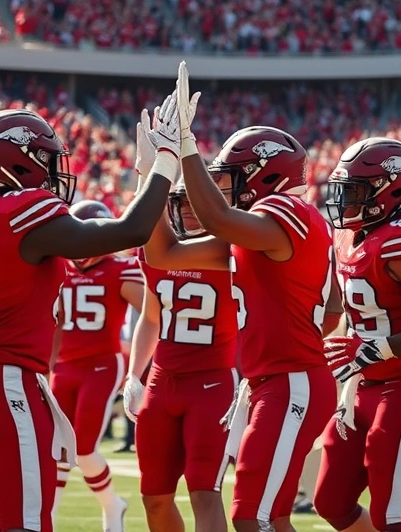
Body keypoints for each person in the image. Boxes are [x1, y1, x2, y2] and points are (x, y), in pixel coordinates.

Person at [0, 101, 182, 532]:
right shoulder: (24, 212)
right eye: (44, 159)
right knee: (25, 524)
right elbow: (132, 230)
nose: (51, 171)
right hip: (3, 385)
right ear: (17, 162)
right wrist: (165, 164)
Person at [140, 63, 342, 532]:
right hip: (279, 378)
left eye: (230, 176)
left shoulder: (286, 211)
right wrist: (154, 172)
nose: (221, 185)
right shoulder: (261, 229)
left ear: (263, 177)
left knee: (252, 517)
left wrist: (185, 147)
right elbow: (164, 253)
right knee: (266, 516)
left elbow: (215, 217)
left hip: (291, 382)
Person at [315, 137, 401, 532]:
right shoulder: (352, 234)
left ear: (392, 188)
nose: (344, 200)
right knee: (330, 501)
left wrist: (375, 349)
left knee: (395, 515)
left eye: (355, 191)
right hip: (365, 383)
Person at [129, 177, 240, 532]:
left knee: (204, 491)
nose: (191, 212)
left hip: (213, 383)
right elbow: (150, 316)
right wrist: (134, 374)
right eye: (183, 203)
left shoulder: (233, 250)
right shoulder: (156, 251)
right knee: (154, 498)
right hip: (163, 382)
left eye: (197, 203)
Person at [50, 200, 144, 531]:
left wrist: (139, 361)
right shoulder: (58, 268)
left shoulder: (121, 270)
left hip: (102, 366)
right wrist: (46, 366)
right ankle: (47, 519)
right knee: (57, 450)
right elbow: (56, 324)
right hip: (64, 367)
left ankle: (112, 507)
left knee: (85, 450)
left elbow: (156, 312)